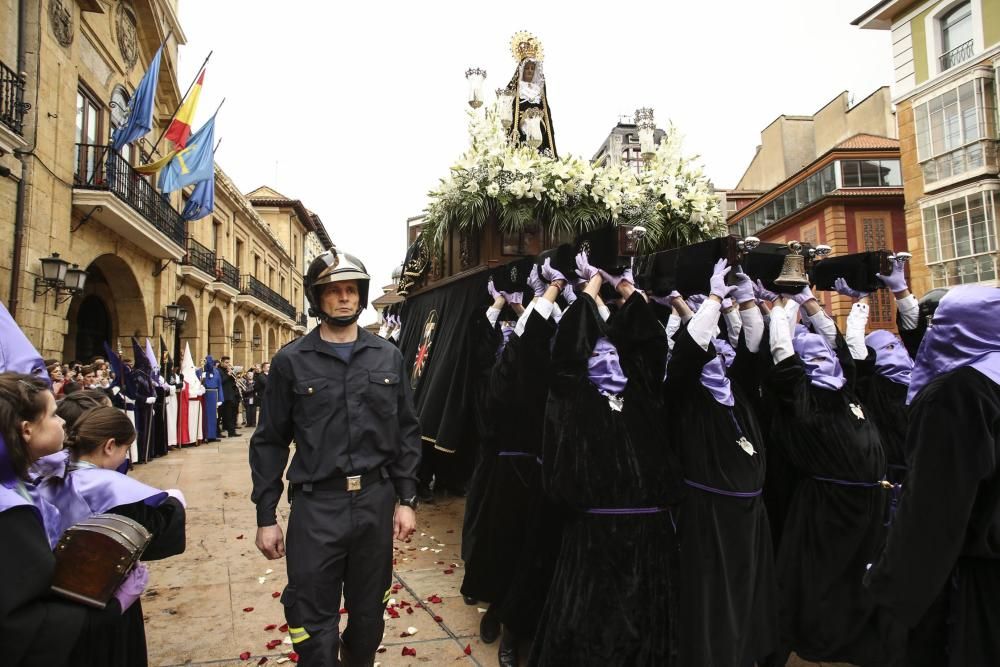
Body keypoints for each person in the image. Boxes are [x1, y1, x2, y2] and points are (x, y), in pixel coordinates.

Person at [250, 249, 422, 666]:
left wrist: (406, 499)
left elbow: (405, 431)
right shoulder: (291, 361)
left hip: (374, 502)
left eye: (351, 290)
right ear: (318, 298)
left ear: (361, 296)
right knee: (311, 621)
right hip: (316, 507)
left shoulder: (388, 357)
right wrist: (266, 516)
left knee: (368, 617)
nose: (344, 298)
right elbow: (270, 440)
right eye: (333, 291)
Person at [530, 254, 682, 666]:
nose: (612, 362)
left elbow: (650, 346)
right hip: (595, 544)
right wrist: (591, 285)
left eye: (616, 357)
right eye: (601, 357)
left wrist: (625, 287)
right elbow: (564, 353)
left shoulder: (642, 396)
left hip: (649, 542)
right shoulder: (571, 396)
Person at [866, 285, 1000, 667]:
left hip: (973, 582)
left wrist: (893, 582)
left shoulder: (959, 393)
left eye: (940, 325)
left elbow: (936, 508)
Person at [764, 288, 897, 666]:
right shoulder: (800, 398)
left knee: (860, 578)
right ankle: (817, 640)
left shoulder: (845, 391)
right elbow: (783, 361)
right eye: (814, 359)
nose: (825, 362)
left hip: (869, 505)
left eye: (826, 357)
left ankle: (856, 638)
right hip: (828, 508)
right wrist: (779, 308)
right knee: (824, 582)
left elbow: (842, 349)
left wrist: (810, 302)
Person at [665, 261, 778, 667]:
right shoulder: (684, 396)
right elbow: (688, 355)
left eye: (722, 356)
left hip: (749, 520)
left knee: (748, 595)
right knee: (712, 600)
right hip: (709, 519)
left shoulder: (737, 391)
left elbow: (752, 347)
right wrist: (710, 299)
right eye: (711, 355)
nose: (720, 358)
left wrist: (746, 299)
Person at [0, 372, 149, 666]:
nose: (63, 422)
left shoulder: (23, 482)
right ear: (27, 430)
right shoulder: (10, 514)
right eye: (53, 414)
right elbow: (22, 625)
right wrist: (112, 608)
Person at [37, 405, 186, 667]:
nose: (124, 457)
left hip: (54, 601)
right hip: (104, 597)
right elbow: (156, 533)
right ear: (109, 446)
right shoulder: (105, 486)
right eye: (125, 450)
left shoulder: (48, 475)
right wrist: (175, 502)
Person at [198, 356, 222, 442]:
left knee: (214, 416)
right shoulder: (199, 371)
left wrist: (220, 398)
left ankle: (212, 435)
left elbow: (219, 385)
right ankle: (204, 435)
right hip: (205, 394)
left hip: (214, 394)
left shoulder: (216, 372)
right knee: (205, 415)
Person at [219, 357, 240, 437]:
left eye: (228, 362)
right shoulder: (219, 371)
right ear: (222, 362)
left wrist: (234, 376)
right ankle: (219, 432)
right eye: (226, 362)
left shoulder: (227, 370)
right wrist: (228, 375)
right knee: (223, 415)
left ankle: (232, 432)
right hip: (224, 395)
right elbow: (221, 381)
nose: (228, 364)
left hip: (230, 395)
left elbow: (231, 381)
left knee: (231, 415)